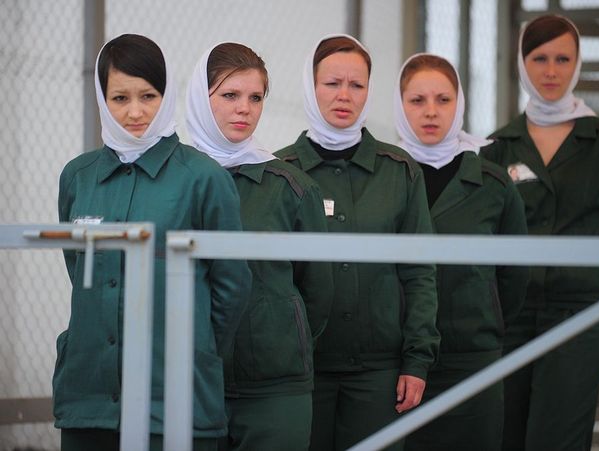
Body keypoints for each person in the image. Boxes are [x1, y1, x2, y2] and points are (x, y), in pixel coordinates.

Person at [55, 34, 251, 451]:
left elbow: (231, 283)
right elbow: (79, 270)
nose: (135, 111)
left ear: (168, 94)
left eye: (149, 95)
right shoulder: (78, 176)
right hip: (89, 399)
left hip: (176, 398)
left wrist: (193, 346)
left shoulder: (202, 178)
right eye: (119, 98)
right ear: (101, 98)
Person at [480, 15, 599, 451]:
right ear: (521, 63)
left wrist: (591, 292)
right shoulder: (497, 147)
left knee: (559, 440)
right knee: (504, 436)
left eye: (563, 59)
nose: (551, 71)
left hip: (579, 318)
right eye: (539, 58)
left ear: (577, 64)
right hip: (510, 320)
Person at [275, 34, 440, 451]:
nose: (344, 96)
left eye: (357, 85)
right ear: (310, 88)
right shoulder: (280, 172)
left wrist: (417, 360)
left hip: (379, 373)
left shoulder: (400, 171)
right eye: (332, 84)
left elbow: (420, 271)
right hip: (300, 370)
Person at [185, 42, 334, 451]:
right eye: (230, 95)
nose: (244, 108)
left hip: (274, 386)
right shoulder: (174, 180)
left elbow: (316, 289)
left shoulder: (292, 187)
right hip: (188, 380)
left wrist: (282, 335)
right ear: (201, 97)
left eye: (255, 97)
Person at [395, 53, 529, 451]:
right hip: (397, 360)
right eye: (417, 101)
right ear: (399, 105)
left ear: (460, 103)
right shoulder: (385, 175)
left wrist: (481, 317)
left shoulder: (492, 183)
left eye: (443, 99)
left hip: (473, 358)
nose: (431, 112)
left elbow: (513, 276)